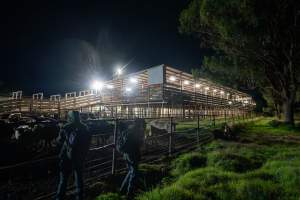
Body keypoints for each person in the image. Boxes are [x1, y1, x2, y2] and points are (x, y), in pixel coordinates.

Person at [55, 111, 91, 200]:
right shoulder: (84, 127)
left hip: (67, 156)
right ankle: (80, 196)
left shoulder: (66, 127)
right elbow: (88, 142)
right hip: (79, 156)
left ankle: (60, 197)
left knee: (63, 179)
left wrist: (61, 130)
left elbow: (59, 141)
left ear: (70, 117)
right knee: (79, 177)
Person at [117, 118, 145, 198]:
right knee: (134, 174)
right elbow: (139, 143)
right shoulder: (136, 131)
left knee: (130, 171)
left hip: (126, 154)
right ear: (139, 124)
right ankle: (129, 193)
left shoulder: (128, 130)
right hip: (133, 155)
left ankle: (122, 190)